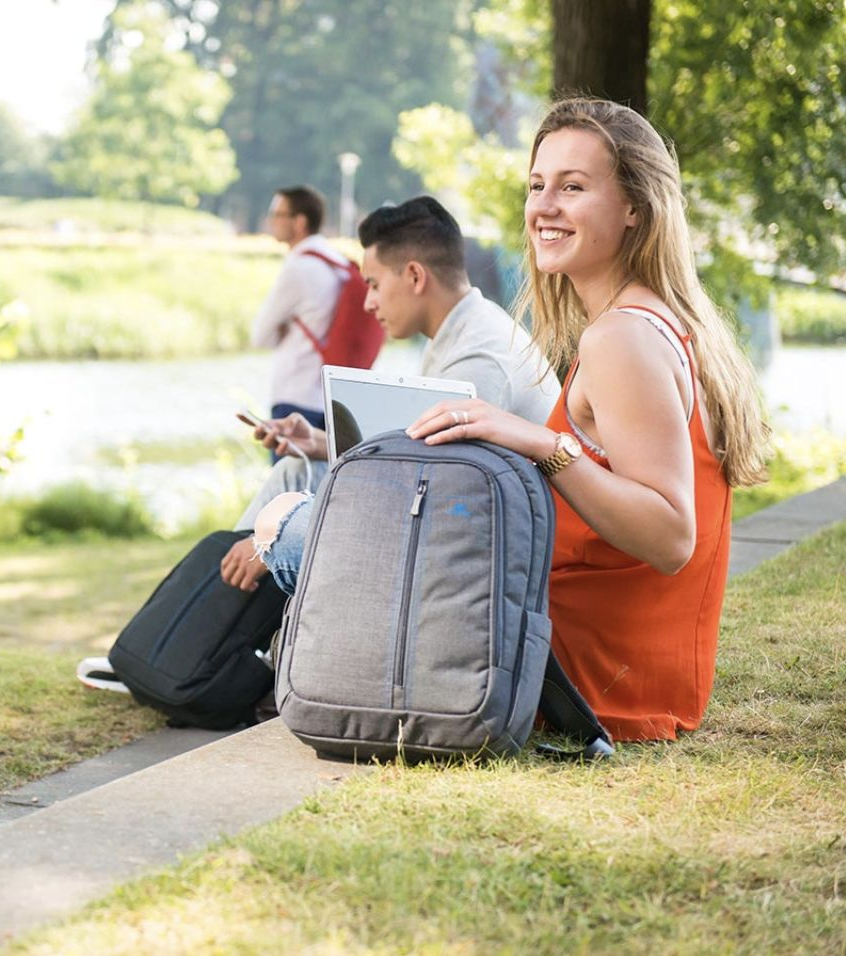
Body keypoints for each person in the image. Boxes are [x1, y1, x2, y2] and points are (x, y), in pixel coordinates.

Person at [257, 98, 770, 743]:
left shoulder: (622, 338)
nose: (544, 207)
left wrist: (536, 441)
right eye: (537, 186)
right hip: (613, 654)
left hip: (588, 669)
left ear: (636, 208)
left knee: (288, 525)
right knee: (325, 521)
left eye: (574, 187)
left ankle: (270, 674)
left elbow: (670, 537)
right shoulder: (656, 321)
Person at [220, 195, 561, 591]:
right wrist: (319, 442)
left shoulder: (479, 360)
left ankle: (209, 628)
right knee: (296, 472)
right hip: (453, 524)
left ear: (415, 277)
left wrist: (272, 538)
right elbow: (416, 458)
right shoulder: (460, 332)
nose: (368, 303)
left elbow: (425, 499)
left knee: (279, 533)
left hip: (484, 558)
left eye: (374, 284)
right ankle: (213, 618)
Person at [251, 185, 347, 434]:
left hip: (295, 395)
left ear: (300, 221)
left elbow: (259, 336)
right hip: (332, 398)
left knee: (290, 473)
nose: (271, 220)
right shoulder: (338, 263)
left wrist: (284, 329)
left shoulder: (299, 267)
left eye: (278, 214)